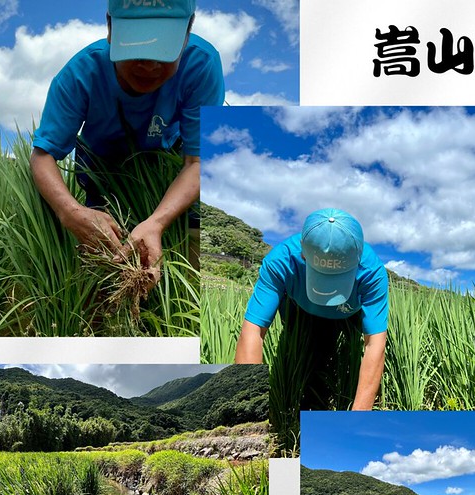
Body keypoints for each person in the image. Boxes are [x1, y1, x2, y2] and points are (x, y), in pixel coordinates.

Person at [30, 0, 224, 274]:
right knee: (104, 241)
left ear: (187, 33)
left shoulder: (201, 65)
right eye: (137, 49)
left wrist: (157, 222)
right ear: (110, 28)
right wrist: (70, 213)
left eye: (163, 51)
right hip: (101, 158)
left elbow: (198, 162)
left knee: (188, 226)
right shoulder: (80, 73)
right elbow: (43, 154)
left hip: (163, 154)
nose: (149, 65)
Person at [235, 208, 389, 411]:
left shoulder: (373, 273)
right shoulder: (281, 261)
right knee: (308, 359)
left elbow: (374, 344)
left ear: (358, 257)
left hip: (350, 312)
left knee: (349, 357)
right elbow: (253, 331)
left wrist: (357, 417)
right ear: (303, 252)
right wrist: (251, 409)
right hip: (302, 309)